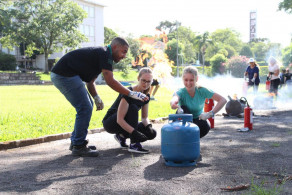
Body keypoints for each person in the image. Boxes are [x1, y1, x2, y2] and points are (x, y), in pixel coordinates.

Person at [50, 37, 148, 157]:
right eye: (124, 51)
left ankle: (76, 142)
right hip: (64, 75)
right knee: (85, 108)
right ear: (115, 47)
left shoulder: (101, 56)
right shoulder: (105, 54)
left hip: (65, 74)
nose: (124, 56)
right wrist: (131, 93)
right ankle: (78, 145)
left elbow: (90, 82)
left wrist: (96, 97)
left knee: (87, 106)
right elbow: (110, 81)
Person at [102, 67, 157, 154]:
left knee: (151, 133)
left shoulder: (146, 96)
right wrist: (135, 133)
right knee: (133, 108)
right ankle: (134, 144)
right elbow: (119, 119)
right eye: (143, 80)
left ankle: (122, 136)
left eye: (148, 81)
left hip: (123, 123)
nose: (146, 84)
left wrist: (149, 127)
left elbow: (144, 118)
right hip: (111, 123)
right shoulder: (128, 92)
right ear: (138, 78)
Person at [170, 66, 227, 139]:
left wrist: (210, 114)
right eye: (186, 80)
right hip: (183, 120)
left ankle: (192, 142)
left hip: (197, 120)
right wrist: (173, 102)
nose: (188, 83)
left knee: (206, 126)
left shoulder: (202, 90)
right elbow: (174, 98)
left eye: (191, 80)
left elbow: (223, 100)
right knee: (184, 108)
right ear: (182, 80)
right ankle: (182, 141)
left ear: (196, 79)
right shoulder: (181, 91)